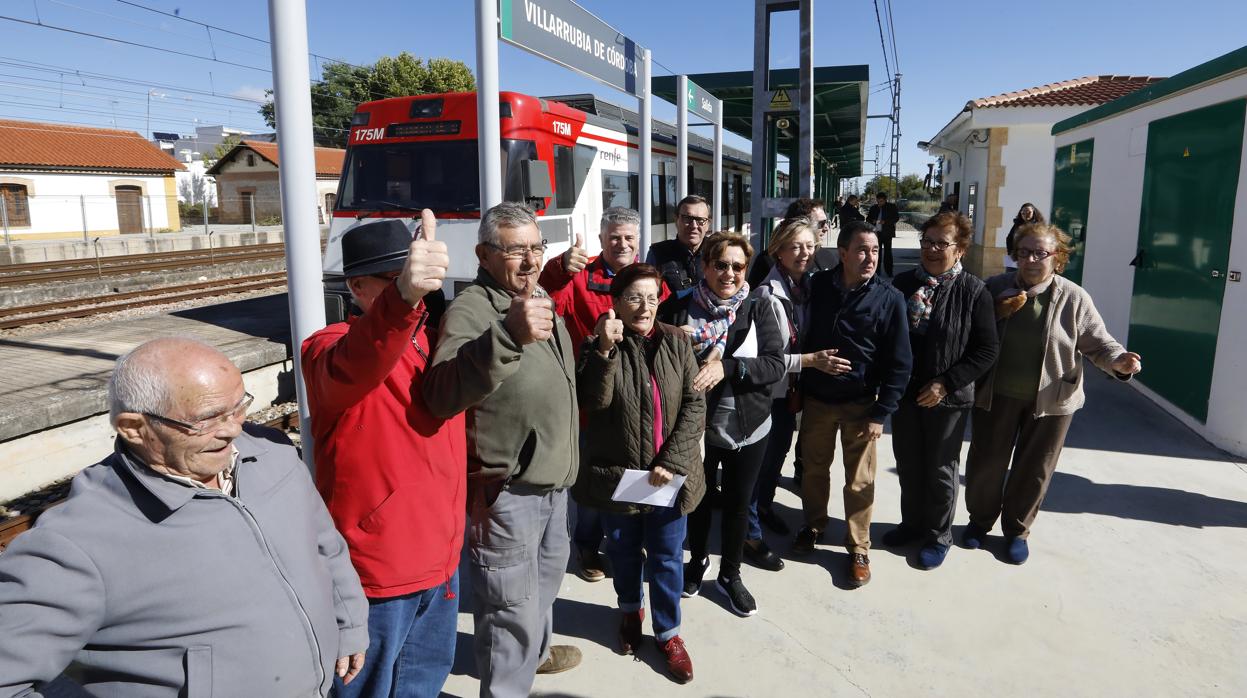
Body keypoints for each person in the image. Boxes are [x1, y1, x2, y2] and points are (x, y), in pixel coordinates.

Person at [0, 338, 369, 697]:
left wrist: (350, 622)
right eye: (207, 419)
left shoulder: (272, 454)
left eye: (238, 407)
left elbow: (323, 543)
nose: (233, 429)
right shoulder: (74, 545)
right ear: (134, 428)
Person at [301, 213, 466, 697]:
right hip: (377, 575)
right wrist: (404, 298)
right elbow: (358, 359)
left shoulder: (430, 341)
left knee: (423, 683)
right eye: (395, 277)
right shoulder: (327, 348)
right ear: (357, 287)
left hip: (441, 562)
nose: (416, 288)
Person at [422, 202, 581, 697]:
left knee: (542, 588)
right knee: (509, 608)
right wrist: (507, 335)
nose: (531, 260)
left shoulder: (536, 295)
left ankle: (535, 656)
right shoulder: (472, 309)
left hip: (553, 485)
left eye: (537, 247)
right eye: (516, 251)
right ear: (484, 256)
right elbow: (441, 392)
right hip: (508, 492)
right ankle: (508, 686)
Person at [963, 223, 1142, 564]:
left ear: (1057, 258)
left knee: (1035, 469)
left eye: (1040, 253)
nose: (1031, 260)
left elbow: (1098, 342)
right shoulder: (994, 287)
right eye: (1024, 252)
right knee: (986, 463)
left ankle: (1016, 531)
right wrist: (997, 312)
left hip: (1052, 399)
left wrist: (1119, 361)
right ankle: (979, 522)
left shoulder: (1074, 297)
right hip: (995, 395)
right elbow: (968, 331)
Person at [574, 263, 705, 683]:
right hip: (620, 478)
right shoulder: (596, 347)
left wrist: (672, 461)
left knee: (667, 557)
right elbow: (594, 402)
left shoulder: (677, 342)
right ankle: (631, 612)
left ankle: (668, 634)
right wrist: (604, 350)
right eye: (634, 297)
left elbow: (695, 404)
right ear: (615, 302)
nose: (644, 307)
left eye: (651, 297)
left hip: (668, 478)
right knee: (624, 552)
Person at [657, 232, 786, 617]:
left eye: (738, 266)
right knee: (696, 500)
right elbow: (656, 360)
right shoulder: (679, 307)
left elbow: (775, 365)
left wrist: (727, 367)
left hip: (748, 424)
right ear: (705, 266)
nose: (729, 273)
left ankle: (730, 574)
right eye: (721, 264)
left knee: (737, 503)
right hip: (694, 428)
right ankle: (697, 562)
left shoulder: (758, 306)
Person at [539, 206, 665, 583]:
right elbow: (547, 299)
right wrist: (559, 268)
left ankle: (628, 540)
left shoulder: (649, 278)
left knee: (636, 470)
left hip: (638, 399)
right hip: (592, 397)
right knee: (593, 480)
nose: (621, 244)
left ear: (638, 242)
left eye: (628, 238)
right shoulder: (580, 275)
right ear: (601, 240)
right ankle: (587, 546)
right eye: (614, 237)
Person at [791, 220, 912, 587]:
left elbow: (900, 362)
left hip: (861, 406)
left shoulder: (889, 298)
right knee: (814, 470)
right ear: (842, 253)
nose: (870, 258)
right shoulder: (816, 287)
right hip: (818, 401)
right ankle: (813, 525)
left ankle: (858, 547)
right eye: (862, 250)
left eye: (874, 250)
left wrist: (881, 413)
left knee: (859, 481)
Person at [884, 212, 999, 570]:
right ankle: (912, 524)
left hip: (947, 398)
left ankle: (938, 536)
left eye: (942, 243)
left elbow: (987, 350)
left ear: (960, 249)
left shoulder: (974, 291)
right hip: (906, 394)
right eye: (927, 241)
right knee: (908, 463)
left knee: (940, 469)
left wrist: (945, 383)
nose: (932, 249)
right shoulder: (902, 284)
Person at [744, 217, 842, 571]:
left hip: (790, 394)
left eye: (810, 246)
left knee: (776, 459)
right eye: (796, 246)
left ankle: (764, 507)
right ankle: (750, 534)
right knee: (757, 465)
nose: (804, 253)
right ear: (778, 251)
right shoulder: (766, 296)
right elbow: (762, 359)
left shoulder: (809, 289)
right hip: (766, 395)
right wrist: (811, 361)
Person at [746, 198, 838, 289]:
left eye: (810, 246)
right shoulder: (767, 261)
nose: (826, 228)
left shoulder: (827, 257)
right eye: (821, 223)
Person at [647, 194, 711, 297]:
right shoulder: (657, 253)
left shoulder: (718, 251)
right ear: (676, 220)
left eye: (700, 220)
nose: (694, 226)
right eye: (687, 218)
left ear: (708, 224)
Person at [866, 192, 901, 277]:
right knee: (877, 253)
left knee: (888, 253)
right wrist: (872, 221)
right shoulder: (874, 208)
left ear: (885, 200)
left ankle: (889, 271)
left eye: (881, 201)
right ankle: (876, 271)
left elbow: (896, 218)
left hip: (887, 233)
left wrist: (885, 222)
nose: (879, 203)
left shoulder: (891, 207)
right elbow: (868, 219)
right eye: (878, 201)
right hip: (876, 234)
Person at [1003, 203, 1045, 272]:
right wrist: (1010, 252)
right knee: (1010, 274)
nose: (1025, 215)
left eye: (1028, 212)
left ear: (1033, 212)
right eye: (1023, 213)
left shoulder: (1038, 226)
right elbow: (1009, 238)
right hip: (1016, 255)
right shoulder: (1017, 224)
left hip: (1031, 256)